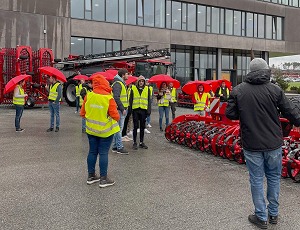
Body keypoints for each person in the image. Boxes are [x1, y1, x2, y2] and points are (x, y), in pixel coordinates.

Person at [226, 58, 300, 229]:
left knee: (257, 179)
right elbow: (292, 114)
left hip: (251, 143)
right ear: (266, 70)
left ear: (250, 71)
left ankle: (261, 216)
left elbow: (230, 114)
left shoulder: (238, 91)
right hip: (273, 142)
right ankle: (273, 214)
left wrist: (245, 113)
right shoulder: (275, 90)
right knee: (274, 177)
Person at [80, 74, 120, 188]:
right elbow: (116, 116)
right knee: (103, 153)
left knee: (92, 152)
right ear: (104, 84)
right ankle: (103, 179)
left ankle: (91, 176)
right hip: (105, 132)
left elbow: (82, 113)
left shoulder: (88, 96)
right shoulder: (108, 98)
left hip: (91, 131)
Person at [129, 75, 151, 150]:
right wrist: (130, 110)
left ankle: (141, 142)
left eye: (142, 81)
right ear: (138, 82)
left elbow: (149, 100)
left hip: (143, 110)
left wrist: (148, 111)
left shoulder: (147, 89)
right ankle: (134, 142)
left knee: (142, 127)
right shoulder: (133, 88)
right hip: (135, 110)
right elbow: (131, 99)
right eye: (140, 81)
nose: (141, 82)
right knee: (135, 127)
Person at [111, 68, 129, 154]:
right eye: (127, 74)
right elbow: (116, 97)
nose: (128, 75)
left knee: (117, 129)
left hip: (120, 109)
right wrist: (122, 108)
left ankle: (115, 146)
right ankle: (119, 147)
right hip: (120, 110)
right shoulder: (118, 83)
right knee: (118, 129)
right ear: (123, 75)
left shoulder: (119, 82)